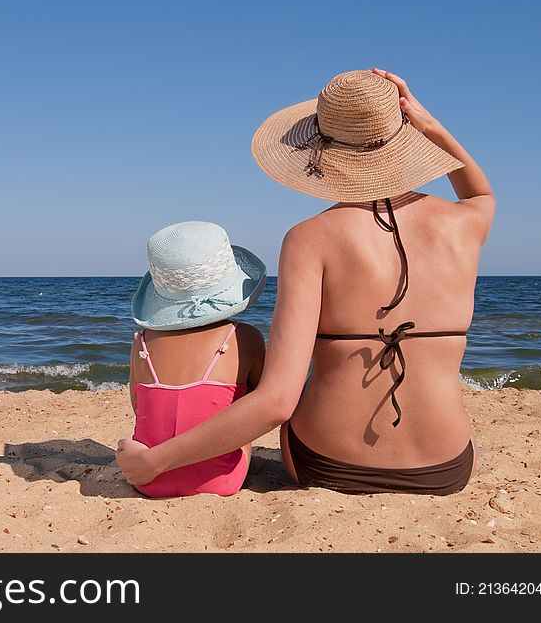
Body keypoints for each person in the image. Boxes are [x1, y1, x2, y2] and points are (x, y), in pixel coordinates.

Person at [117, 69, 496, 495]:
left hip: (328, 466)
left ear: (320, 150)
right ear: (408, 135)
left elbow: (277, 401)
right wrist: (431, 126)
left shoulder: (309, 238)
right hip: (443, 469)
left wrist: (155, 461)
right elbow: (480, 194)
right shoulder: (465, 224)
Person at [128, 221, 267, 497]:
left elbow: (137, 405)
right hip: (221, 481)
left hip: (148, 478)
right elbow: (262, 400)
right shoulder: (244, 338)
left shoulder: (141, 343)